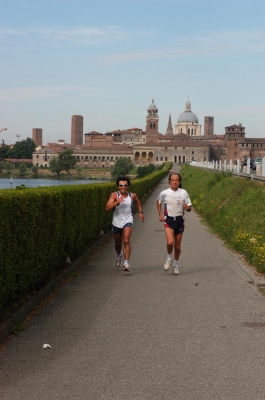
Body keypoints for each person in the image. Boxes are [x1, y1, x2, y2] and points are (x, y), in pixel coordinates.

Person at [106, 176, 144, 272]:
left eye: (125, 185)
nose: (123, 187)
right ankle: (119, 254)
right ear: (118, 186)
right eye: (121, 185)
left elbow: (138, 202)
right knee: (118, 243)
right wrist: (116, 203)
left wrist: (140, 212)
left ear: (128, 186)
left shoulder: (132, 195)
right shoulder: (114, 195)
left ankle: (126, 262)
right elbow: (107, 207)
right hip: (116, 222)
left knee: (126, 240)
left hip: (128, 220)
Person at [156, 172, 192, 275]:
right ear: (169, 182)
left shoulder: (184, 193)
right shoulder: (164, 193)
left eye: (177, 180)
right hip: (169, 220)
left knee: (177, 246)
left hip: (180, 221)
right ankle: (169, 257)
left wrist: (187, 207)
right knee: (170, 242)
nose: (175, 182)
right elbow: (158, 201)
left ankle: (176, 264)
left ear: (179, 182)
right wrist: (160, 214)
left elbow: (190, 207)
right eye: (173, 180)